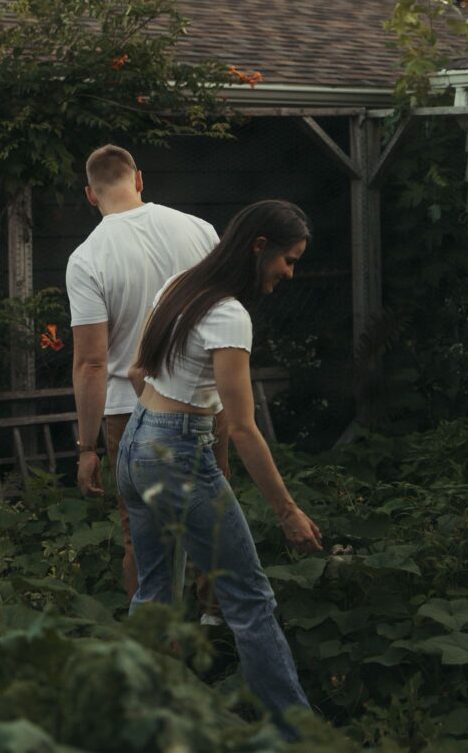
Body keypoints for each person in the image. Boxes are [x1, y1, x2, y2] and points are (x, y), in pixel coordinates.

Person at [119, 199, 323, 735]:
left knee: (154, 593)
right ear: (260, 247)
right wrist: (288, 512)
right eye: (289, 259)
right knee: (250, 602)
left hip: (137, 444)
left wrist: (170, 432)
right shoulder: (229, 315)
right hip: (177, 456)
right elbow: (243, 428)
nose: (290, 272)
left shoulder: (179, 286)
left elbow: (140, 371)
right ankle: (297, 733)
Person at [66, 144, 229, 604]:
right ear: (139, 179)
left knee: (143, 536)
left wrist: (87, 447)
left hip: (131, 413)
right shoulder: (200, 231)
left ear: (90, 196)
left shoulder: (87, 257)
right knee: (212, 519)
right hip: (203, 400)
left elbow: (92, 362)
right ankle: (215, 632)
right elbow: (224, 320)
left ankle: (159, 645)